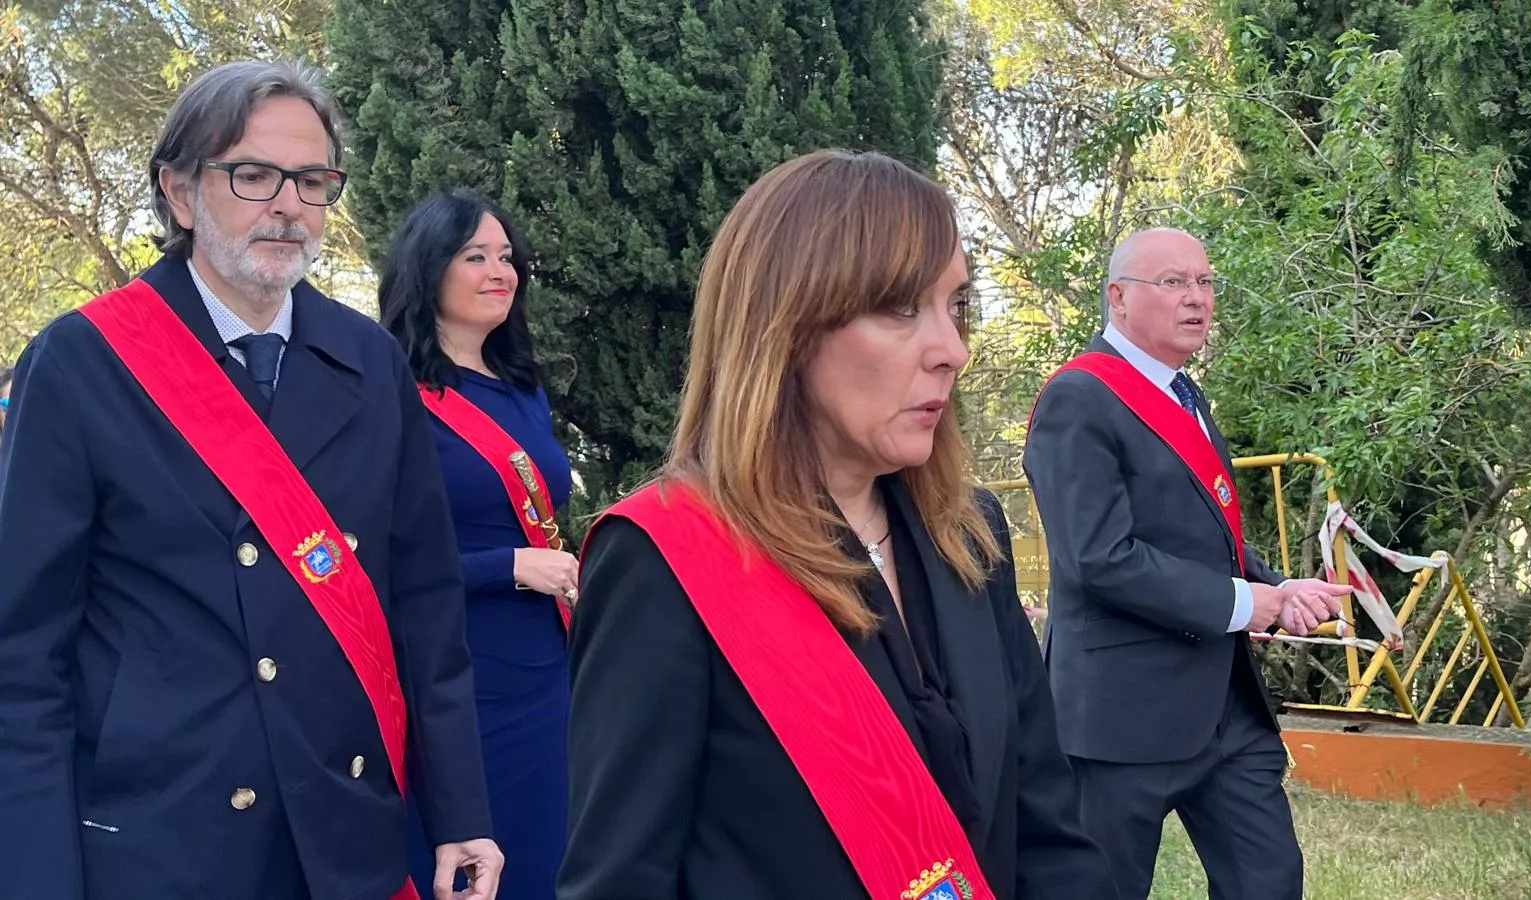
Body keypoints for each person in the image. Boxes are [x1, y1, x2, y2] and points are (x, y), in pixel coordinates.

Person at [0, 59, 503, 900]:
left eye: (312, 180)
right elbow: (22, 652)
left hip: (340, 832)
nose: (288, 205)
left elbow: (425, 602)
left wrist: (460, 813)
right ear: (181, 192)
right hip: (160, 837)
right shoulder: (82, 360)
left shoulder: (371, 360)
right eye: (253, 174)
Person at [557, 149, 1115, 900]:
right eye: (901, 308)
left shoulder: (970, 533)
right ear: (786, 325)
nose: (953, 350)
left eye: (957, 307)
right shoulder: (665, 561)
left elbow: (1048, 831)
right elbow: (619, 880)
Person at [1023, 227, 1352, 900]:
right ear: (1117, 297)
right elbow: (1097, 557)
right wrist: (1242, 604)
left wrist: (1274, 588)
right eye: (1172, 283)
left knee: (1269, 880)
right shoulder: (1078, 399)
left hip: (1224, 708)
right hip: (1122, 716)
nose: (1196, 298)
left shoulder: (1184, 394)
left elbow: (1201, 537)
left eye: (1205, 282)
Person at [380, 189, 577, 900]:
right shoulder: (391, 394)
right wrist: (512, 566)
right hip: (463, 677)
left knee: (554, 855)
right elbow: (373, 561)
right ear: (429, 269)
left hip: (547, 668)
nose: (501, 270)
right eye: (475, 257)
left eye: (506, 256)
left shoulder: (524, 388)